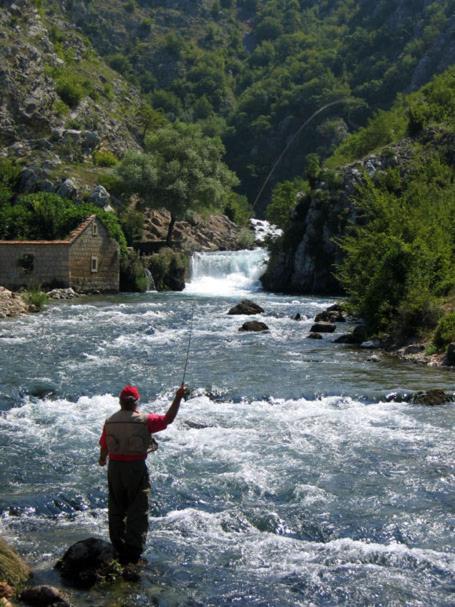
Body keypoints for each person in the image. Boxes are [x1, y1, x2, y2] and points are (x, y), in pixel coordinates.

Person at [98, 383, 186, 565]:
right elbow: (168, 419)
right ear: (136, 402)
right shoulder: (145, 420)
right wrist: (178, 397)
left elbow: (104, 445)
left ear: (120, 402)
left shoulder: (110, 421)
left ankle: (117, 545)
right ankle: (133, 552)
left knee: (116, 507)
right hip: (135, 468)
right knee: (137, 509)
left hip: (114, 468)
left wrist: (102, 459)